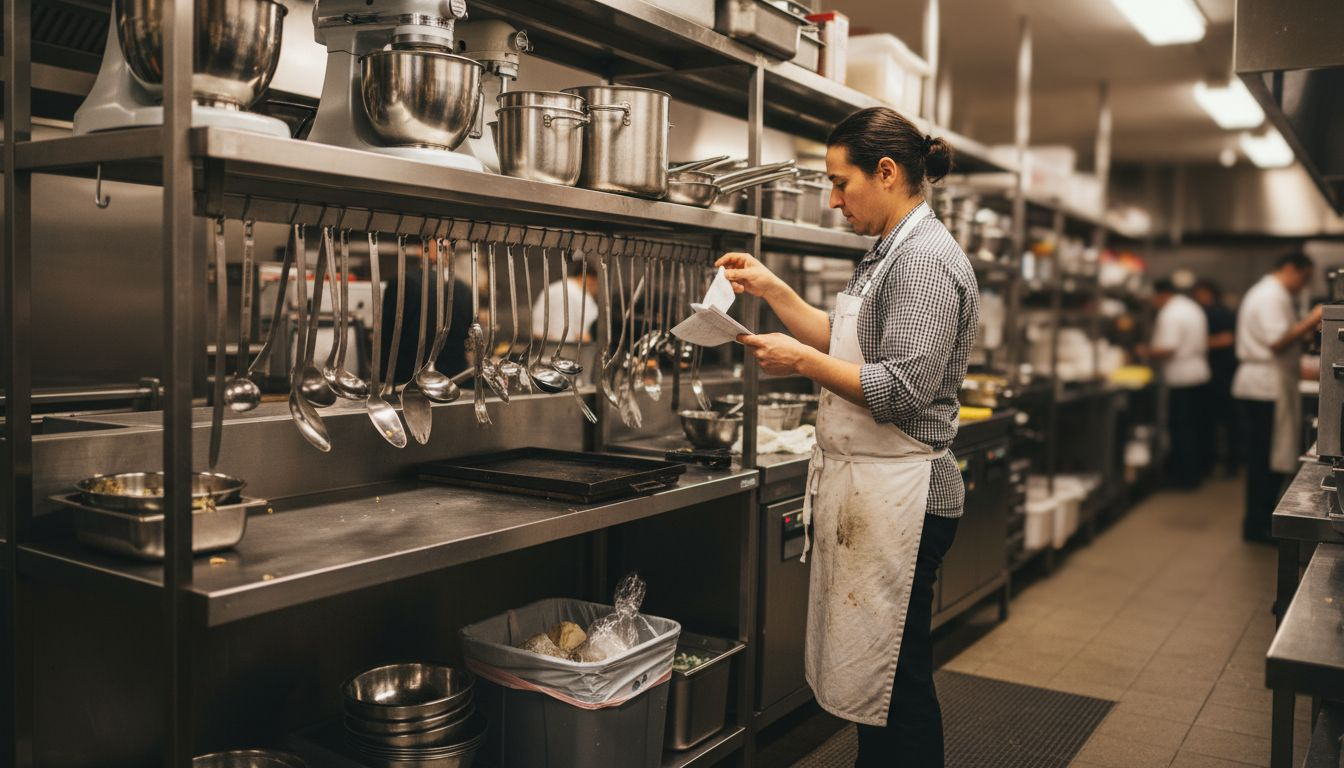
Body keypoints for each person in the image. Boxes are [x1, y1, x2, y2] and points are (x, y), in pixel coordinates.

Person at [716, 106, 977, 767]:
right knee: (880, 684)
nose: (833, 200)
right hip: (879, 489)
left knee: (897, 683)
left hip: (907, 496)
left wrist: (800, 362)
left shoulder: (922, 261)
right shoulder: (889, 253)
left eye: (840, 182)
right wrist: (773, 289)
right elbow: (847, 343)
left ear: (886, 173)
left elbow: (902, 390)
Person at [1233, 252, 1320, 542]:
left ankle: (1259, 523)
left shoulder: (1271, 293)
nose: (1302, 285)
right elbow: (1277, 341)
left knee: (1265, 459)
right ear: (1291, 269)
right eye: (1304, 278)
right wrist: (1314, 318)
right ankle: (1258, 527)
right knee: (1263, 460)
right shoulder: (1271, 295)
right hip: (1264, 386)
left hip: (1266, 384)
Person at [380, 240, 476, 385]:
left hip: (408, 382)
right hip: (454, 382)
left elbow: (388, 338)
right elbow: (467, 335)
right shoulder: (465, 289)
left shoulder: (403, 282)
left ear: (421, 251)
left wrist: (384, 381)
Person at [1145, 279, 1211, 489]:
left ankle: (1184, 479)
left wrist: (1141, 351)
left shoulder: (1170, 313)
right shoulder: (1192, 307)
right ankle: (1196, 473)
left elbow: (1168, 348)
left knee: (1181, 430)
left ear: (1161, 294)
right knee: (1194, 428)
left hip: (1181, 377)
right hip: (1199, 374)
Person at [1192, 280, 1238, 477]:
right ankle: (1225, 464)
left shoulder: (1216, 313)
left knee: (1219, 422)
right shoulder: (1212, 312)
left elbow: (1228, 338)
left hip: (1221, 373)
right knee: (1224, 422)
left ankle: (1223, 465)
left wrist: (1198, 344)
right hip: (1222, 373)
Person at [530, 251, 600, 343]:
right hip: (574, 351)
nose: (596, 289)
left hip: (545, 349)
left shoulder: (552, 289)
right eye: (595, 284)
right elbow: (583, 334)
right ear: (589, 278)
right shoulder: (581, 296)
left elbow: (537, 330)